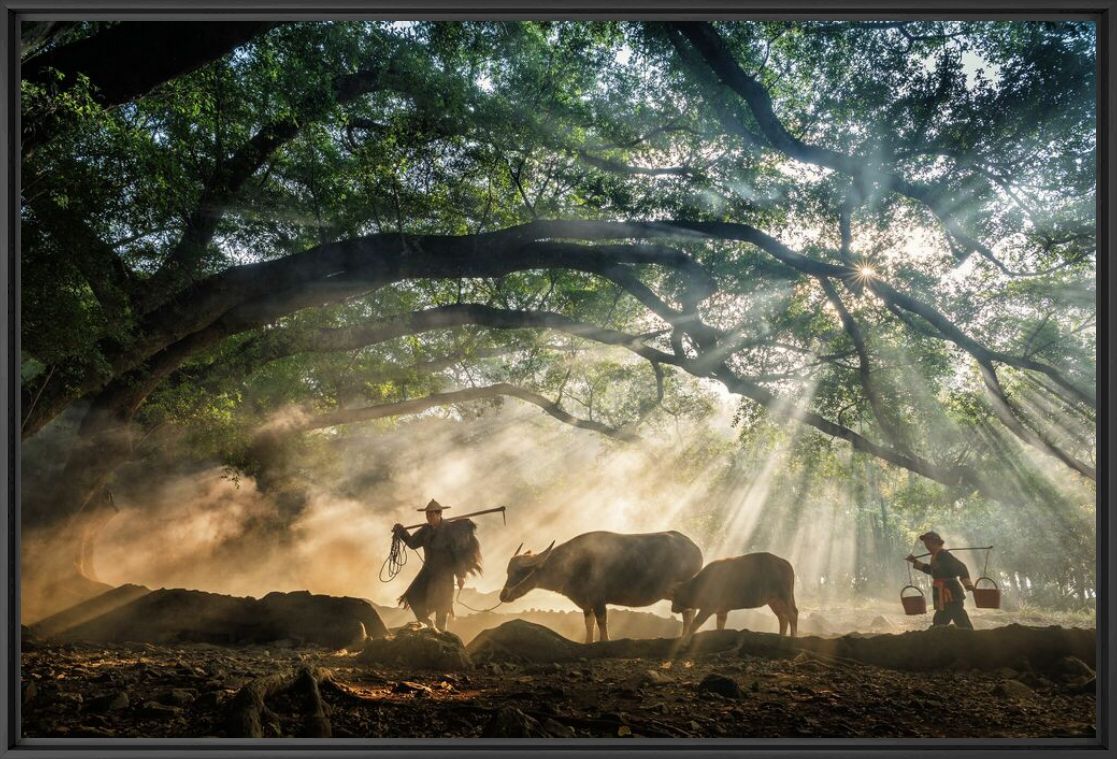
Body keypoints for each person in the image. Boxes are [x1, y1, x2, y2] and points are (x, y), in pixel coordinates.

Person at [391, 499, 482, 632]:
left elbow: (457, 554)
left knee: (442, 604)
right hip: (427, 572)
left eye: (432, 514)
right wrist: (402, 531)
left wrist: (461, 576)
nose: (429, 517)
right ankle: (427, 623)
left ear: (440, 514)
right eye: (428, 515)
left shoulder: (450, 531)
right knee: (413, 595)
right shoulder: (425, 530)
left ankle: (442, 632)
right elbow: (412, 544)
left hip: (444, 573)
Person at [905, 531, 976, 629]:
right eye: (925, 543)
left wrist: (968, 585)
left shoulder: (943, 554)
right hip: (941, 592)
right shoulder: (936, 556)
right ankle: (941, 631)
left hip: (950, 592)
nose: (926, 546)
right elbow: (932, 571)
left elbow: (961, 567)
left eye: (928, 543)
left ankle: (967, 634)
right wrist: (915, 561)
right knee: (946, 615)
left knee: (955, 614)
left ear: (935, 542)